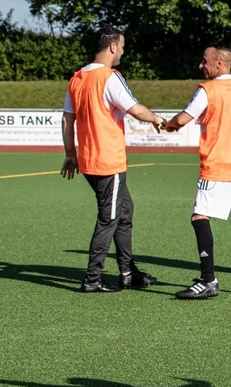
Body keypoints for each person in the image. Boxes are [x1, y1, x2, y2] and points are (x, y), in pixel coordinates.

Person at [61, 26, 165, 293]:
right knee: (109, 218)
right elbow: (134, 109)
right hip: (108, 160)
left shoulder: (77, 78)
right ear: (112, 47)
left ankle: (128, 271)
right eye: (122, 46)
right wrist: (156, 118)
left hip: (88, 160)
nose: (122, 51)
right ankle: (92, 278)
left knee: (124, 211)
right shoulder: (109, 77)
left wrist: (71, 155)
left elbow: (67, 119)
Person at [163, 46, 231, 299]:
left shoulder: (209, 89)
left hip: (219, 164)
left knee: (200, 217)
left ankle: (208, 279)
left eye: (205, 61)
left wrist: (168, 125)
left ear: (219, 64)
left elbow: (183, 119)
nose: (201, 65)